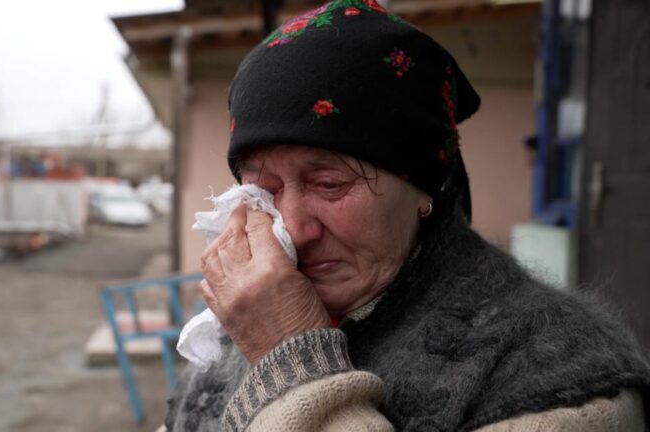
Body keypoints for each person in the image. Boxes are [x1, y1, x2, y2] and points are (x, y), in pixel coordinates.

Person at [165, 1, 650, 430]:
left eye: (329, 183)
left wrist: (289, 366)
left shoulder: (566, 382)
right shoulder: (240, 322)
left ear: (425, 187)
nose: (292, 228)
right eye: (262, 190)